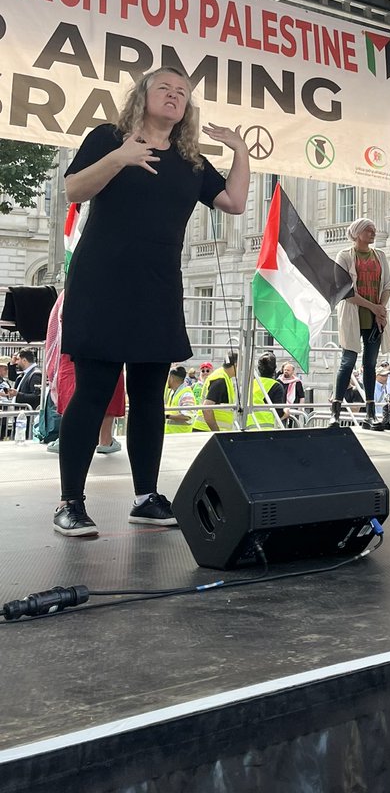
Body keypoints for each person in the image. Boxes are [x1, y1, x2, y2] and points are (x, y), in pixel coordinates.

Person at [54, 66, 249, 538]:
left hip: (158, 287)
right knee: (93, 392)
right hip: (102, 281)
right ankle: (70, 503)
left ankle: (146, 498)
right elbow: (74, 189)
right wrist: (119, 158)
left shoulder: (190, 161)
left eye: (182, 91)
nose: (174, 95)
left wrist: (240, 151)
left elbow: (235, 202)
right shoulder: (109, 137)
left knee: (148, 397)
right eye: (164, 87)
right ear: (142, 95)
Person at [334, 219, 390, 429]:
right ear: (358, 233)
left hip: (374, 318)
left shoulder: (380, 256)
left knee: (370, 364)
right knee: (347, 362)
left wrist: (380, 309)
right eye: (369, 230)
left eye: (374, 230)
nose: (373, 233)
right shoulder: (344, 256)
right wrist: (374, 307)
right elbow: (346, 291)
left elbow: (387, 285)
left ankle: (370, 414)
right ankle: (335, 412)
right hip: (353, 316)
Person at [13, 348, 42, 441]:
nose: (16, 362)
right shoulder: (26, 373)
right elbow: (12, 376)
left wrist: (18, 395)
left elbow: (37, 397)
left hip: (28, 417)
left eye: (18, 359)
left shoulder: (35, 374)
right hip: (22, 416)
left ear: (24, 360)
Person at [164, 365, 197, 435]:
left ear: (171, 378)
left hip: (181, 436)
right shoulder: (173, 392)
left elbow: (187, 416)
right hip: (172, 435)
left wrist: (166, 416)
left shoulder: (186, 394)